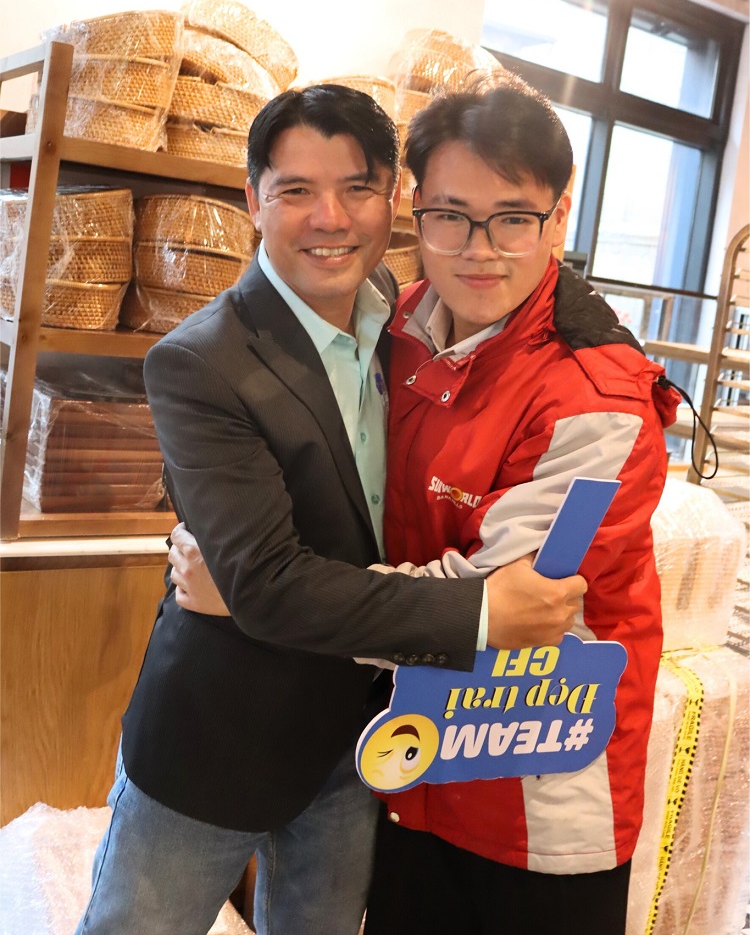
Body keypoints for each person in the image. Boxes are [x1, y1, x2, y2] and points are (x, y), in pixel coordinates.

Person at [174, 74, 679, 935]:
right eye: (451, 215)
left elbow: (498, 604)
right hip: (413, 770)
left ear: (559, 218)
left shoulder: (597, 396)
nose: (479, 250)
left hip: (534, 797)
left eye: (513, 218)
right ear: (415, 209)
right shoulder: (397, 326)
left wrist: (255, 595)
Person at [75, 83, 584, 935]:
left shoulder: (406, 314)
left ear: (394, 200)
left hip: (354, 748)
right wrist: (482, 610)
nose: (330, 218)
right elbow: (268, 583)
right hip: (216, 738)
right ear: (254, 200)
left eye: (356, 188)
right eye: (296, 191)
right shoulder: (199, 362)